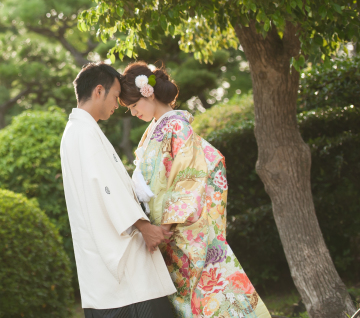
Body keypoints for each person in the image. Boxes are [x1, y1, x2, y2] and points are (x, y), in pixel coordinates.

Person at [120, 62, 271, 318]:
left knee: (205, 296)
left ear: (149, 93)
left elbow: (189, 180)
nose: (133, 113)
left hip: (179, 231)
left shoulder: (178, 128)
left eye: (134, 106)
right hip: (165, 230)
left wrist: (165, 228)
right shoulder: (155, 131)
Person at [60, 62, 177, 318]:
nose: (117, 104)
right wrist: (145, 227)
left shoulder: (79, 130)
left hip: (106, 268)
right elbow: (106, 188)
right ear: (99, 91)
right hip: (122, 271)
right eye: (115, 96)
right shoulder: (83, 133)